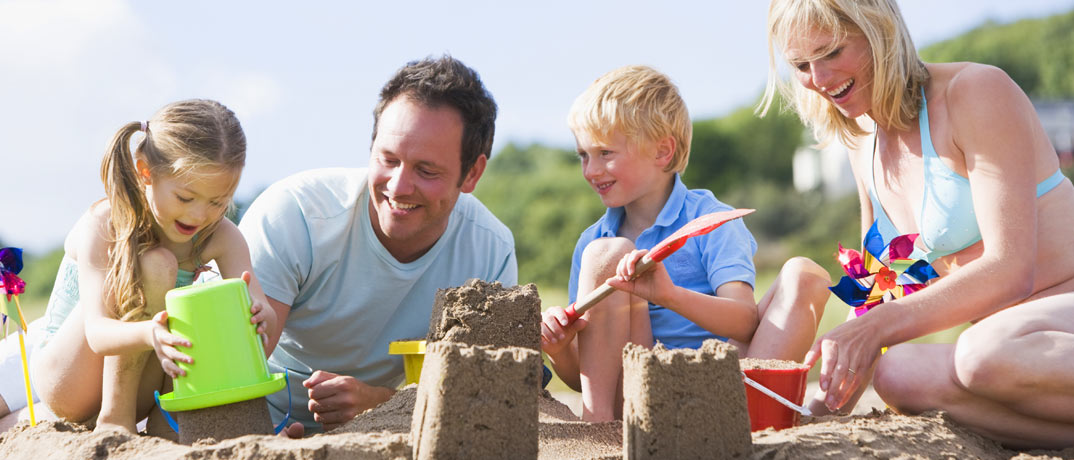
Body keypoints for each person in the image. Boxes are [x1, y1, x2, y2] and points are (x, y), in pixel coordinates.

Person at [760, 0, 1074, 449]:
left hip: (1052, 314)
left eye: (831, 53)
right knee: (898, 375)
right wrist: (820, 402)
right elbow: (878, 285)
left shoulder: (975, 91)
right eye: (802, 64)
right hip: (1016, 346)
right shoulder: (862, 141)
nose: (820, 78)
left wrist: (879, 326)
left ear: (880, 32)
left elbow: (1011, 268)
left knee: (981, 353)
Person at [239, 55, 517, 437]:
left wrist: (382, 403)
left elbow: (481, 397)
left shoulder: (490, 249)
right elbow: (235, 365)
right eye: (387, 159)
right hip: (258, 419)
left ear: (472, 173)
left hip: (390, 428)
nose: (399, 187)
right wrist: (260, 436)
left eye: (426, 171)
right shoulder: (294, 214)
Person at [540, 65, 832, 422]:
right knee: (609, 253)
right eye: (583, 155)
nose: (590, 170)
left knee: (805, 274)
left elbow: (744, 321)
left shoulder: (711, 221)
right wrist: (559, 350)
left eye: (605, 153)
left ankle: (754, 417)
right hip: (639, 400)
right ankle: (597, 430)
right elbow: (579, 377)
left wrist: (668, 295)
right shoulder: (593, 243)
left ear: (663, 152)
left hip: (720, 389)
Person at [3, 99, 276, 434]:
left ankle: (171, 425)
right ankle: (114, 418)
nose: (199, 216)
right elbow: (98, 333)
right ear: (146, 172)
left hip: (146, 384)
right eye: (186, 198)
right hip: (68, 378)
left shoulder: (222, 237)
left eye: (218, 202)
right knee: (157, 264)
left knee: (209, 305)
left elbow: (261, 312)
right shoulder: (106, 222)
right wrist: (150, 333)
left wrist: (259, 316)